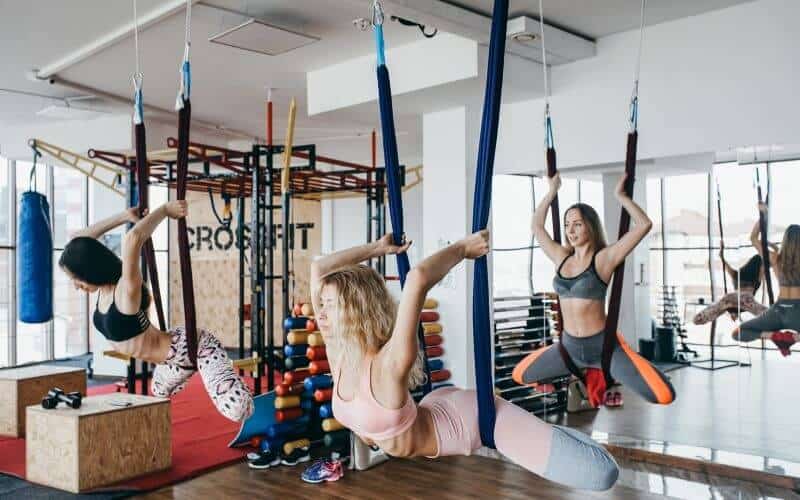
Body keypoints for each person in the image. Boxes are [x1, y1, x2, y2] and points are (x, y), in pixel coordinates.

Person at [300, 231, 618, 491]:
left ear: (356, 309)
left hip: (466, 422)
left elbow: (418, 278)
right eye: (322, 304)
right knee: (563, 450)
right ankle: (547, 433)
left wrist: (463, 248)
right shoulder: (338, 351)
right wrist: (378, 247)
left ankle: (552, 434)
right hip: (435, 405)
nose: (320, 312)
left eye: (329, 305)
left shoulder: (389, 363)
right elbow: (319, 269)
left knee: (601, 475)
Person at [59, 203, 253, 421]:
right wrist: (124, 216)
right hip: (169, 363)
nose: (76, 286)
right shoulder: (104, 293)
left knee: (239, 409)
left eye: (77, 279)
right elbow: (80, 241)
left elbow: (133, 239)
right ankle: (190, 371)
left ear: (90, 270)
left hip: (192, 346)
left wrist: (165, 210)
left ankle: (225, 379)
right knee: (158, 393)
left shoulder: (126, 290)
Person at [512, 173, 675, 408]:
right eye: (567, 224)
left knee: (663, 395)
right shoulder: (561, 257)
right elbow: (537, 226)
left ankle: (610, 370)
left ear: (590, 226)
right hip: (568, 349)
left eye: (577, 224)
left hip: (603, 349)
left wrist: (622, 197)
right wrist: (551, 191)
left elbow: (644, 225)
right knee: (520, 375)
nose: (570, 230)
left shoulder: (603, 259)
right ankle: (580, 377)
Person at [733, 203, 800, 356]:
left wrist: (763, 216)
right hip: (798, 311)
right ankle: (794, 338)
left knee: (738, 332)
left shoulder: (776, 259)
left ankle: (773, 336)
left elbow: (753, 238)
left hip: (779, 309)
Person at [692, 243, 766, 325]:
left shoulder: (737, 274)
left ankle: (702, 317)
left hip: (733, 299)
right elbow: (762, 269)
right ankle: (775, 317)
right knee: (761, 311)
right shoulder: (755, 278)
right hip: (742, 300)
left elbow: (725, 265)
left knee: (718, 307)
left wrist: (721, 254)